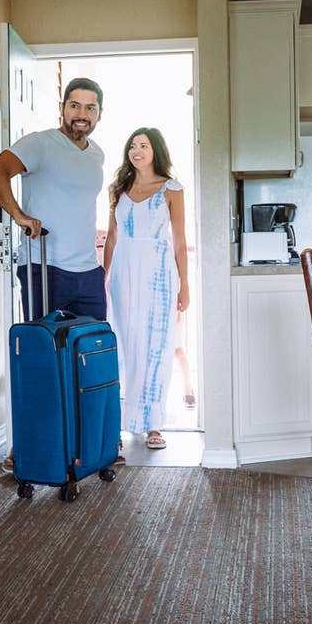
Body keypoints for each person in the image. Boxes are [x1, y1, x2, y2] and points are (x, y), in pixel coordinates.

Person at [0, 77, 113, 473]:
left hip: (87, 270)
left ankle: (89, 447)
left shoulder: (97, 154)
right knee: (44, 362)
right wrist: (20, 216)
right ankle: (28, 449)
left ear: (99, 113)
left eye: (90, 108)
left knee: (90, 358)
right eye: (75, 105)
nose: (81, 114)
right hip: (44, 266)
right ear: (62, 108)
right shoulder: (39, 144)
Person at [103, 128, 189, 449]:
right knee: (125, 343)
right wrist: (103, 277)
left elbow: (179, 242)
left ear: (156, 151)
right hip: (123, 274)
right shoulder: (117, 189)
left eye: (144, 145)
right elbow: (112, 237)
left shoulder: (172, 189)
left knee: (156, 344)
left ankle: (153, 424)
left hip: (159, 273)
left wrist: (184, 286)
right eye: (133, 145)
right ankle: (119, 423)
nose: (137, 150)